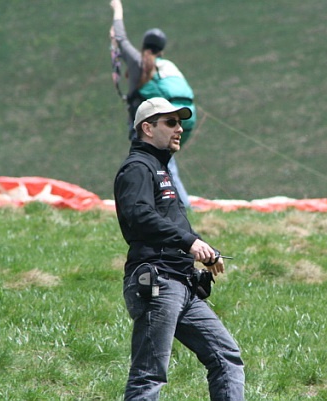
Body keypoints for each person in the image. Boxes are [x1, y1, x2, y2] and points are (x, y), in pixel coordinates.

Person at [114, 97, 245, 401]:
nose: (180, 129)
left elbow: (172, 224)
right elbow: (139, 215)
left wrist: (203, 247)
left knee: (226, 358)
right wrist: (190, 242)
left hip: (182, 283)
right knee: (149, 374)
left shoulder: (160, 168)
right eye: (171, 122)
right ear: (147, 128)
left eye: (180, 123)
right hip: (157, 283)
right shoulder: (137, 168)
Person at [110, 0, 196, 208]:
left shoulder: (139, 62)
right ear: (162, 49)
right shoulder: (167, 66)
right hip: (184, 120)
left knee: (152, 162)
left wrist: (117, 9)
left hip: (154, 123)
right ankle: (175, 203)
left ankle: (178, 205)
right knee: (165, 161)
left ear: (144, 45)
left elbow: (120, 37)